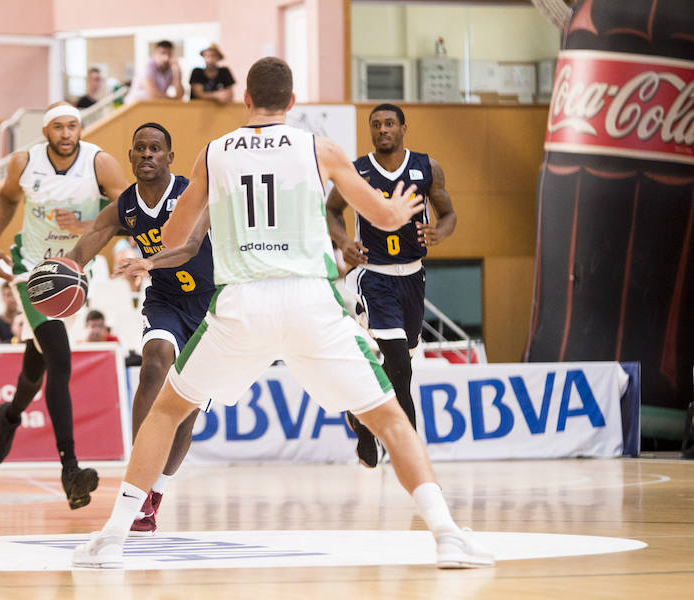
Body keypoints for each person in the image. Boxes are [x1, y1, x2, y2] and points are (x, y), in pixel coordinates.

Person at [73, 57, 493, 570]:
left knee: (167, 411)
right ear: (293, 103)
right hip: (308, 301)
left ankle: (113, 538)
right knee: (390, 418)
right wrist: (401, 209)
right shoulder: (319, 147)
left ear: (245, 99)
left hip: (240, 304)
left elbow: (179, 233)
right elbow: (380, 218)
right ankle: (447, 536)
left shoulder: (215, 151)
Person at [65, 121, 214, 535]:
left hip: (211, 306)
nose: (147, 154)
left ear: (170, 157)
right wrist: (66, 267)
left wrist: (148, 261)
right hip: (166, 301)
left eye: (155, 149)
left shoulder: (190, 194)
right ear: (130, 156)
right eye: (139, 149)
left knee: (185, 410)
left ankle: (155, 496)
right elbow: (95, 233)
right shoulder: (126, 205)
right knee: (154, 361)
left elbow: (190, 247)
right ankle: (138, 480)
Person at [0, 101, 128, 510]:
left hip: (73, 272)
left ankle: (9, 417)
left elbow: (128, 211)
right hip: (32, 270)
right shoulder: (24, 162)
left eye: (73, 126)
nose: (67, 133)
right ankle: (70, 469)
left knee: (38, 361)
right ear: (46, 131)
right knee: (60, 359)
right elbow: (8, 200)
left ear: (80, 129)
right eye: (59, 127)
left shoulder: (101, 163)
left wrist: (87, 227)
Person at [326, 103, 456, 468]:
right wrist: (343, 243)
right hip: (374, 274)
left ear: (402, 128)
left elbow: (449, 214)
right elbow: (332, 210)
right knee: (400, 363)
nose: (382, 130)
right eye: (376, 125)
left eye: (389, 124)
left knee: (402, 360)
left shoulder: (428, 167)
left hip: (413, 275)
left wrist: (440, 233)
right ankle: (411, 455)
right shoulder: (357, 170)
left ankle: (362, 418)